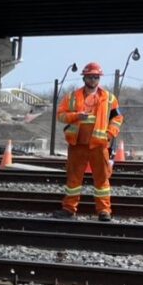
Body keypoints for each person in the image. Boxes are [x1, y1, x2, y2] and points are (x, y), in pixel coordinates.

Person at [57, 62, 122, 221]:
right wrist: (76, 116)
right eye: (90, 77)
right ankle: (69, 209)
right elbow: (61, 115)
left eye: (96, 77)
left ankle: (104, 210)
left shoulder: (109, 98)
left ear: (99, 78)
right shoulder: (72, 97)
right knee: (73, 179)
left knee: (102, 179)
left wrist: (109, 134)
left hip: (99, 145)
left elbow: (117, 118)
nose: (93, 80)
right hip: (77, 144)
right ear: (84, 78)